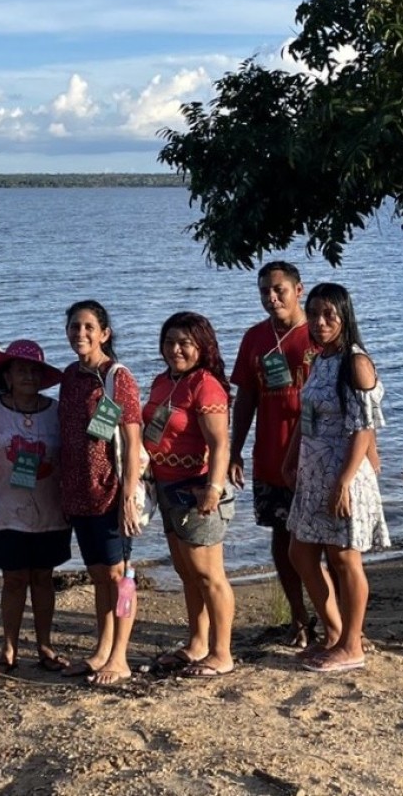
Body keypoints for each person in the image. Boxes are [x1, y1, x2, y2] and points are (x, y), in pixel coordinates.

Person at [283, 284, 389, 674]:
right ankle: (333, 632)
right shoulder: (321, 358)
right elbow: (307, 415)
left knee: (345, 559)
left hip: (343, 473)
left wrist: (343, 481)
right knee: (301, 552)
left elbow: (364, 429)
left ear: (344, 315)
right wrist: (290, 457)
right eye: (313, 314)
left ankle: (352, 644)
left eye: (329, 314)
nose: (320, 322)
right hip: (313, 470)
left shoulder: (356, 362)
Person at [229, 261, 319, 647]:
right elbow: (246, 397)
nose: (271, 297)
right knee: (282, 540)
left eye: (279, 289)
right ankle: (299, 619)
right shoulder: (254, 338)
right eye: (264, 290)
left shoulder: (321, 333)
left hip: (316, 458)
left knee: (326, 544)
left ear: (299, 290)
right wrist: (234, 451)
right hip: (271, 458)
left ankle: (340, 622)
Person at [144, 312, 236, 679]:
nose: (175, 350)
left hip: (196, 488)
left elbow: (220, 443)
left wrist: (213, 489)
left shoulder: (206, 385)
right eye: (169, 342)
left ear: (202, 345)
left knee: (209, 573)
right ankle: (197, 642)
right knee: (186, 571)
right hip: (165, 487)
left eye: (184, 342)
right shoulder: (162, 381)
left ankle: (222, 652)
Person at [0, 340, 72, 675]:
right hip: (1, 509)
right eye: (20, 370)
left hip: (51, 510)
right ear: (7, 375)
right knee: (13, 579)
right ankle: (9, 648)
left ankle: (45, 645)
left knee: (43, 578)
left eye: (34, 370)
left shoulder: (59, 411)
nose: (27, 375)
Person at [58, 300, 144, 686]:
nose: (81, 334)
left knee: (120, 575)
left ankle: (121, 657)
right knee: (97, 575)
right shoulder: (70, 377)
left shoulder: (117, 377)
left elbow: (131, 437)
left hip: (112, 492)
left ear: (104, 333)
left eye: (89, 327)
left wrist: (128, 495)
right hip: (79, 492)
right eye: (75, 326)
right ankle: (102, 650)